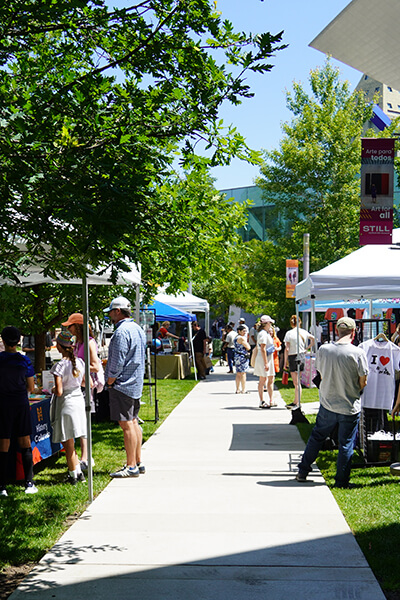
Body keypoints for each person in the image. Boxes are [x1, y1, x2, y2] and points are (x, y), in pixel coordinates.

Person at [296, 317, 368, 489]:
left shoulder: (324, 349)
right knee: (346, 444)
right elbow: (363, 381)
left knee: (317, 437)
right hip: (349, 406)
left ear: (337, 331)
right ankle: (341, 481)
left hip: (328, 403)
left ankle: (303, 471)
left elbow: (320, 373)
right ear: (354, 331)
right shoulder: (358, 353)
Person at [104, 296, 146, 478]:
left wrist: (110, 380)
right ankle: (137, 461)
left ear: (118, 311)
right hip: (135, 383)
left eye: (111, 312)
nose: (110, 316)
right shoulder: (138, 328)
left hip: (123, 385)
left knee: (127, 425)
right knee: (134, 422)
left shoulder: (121, 332)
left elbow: (117, 362)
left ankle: (131, 466)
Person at [0, 326, 37, 496]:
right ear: (18, 341)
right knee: (25, 441)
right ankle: (29, 482)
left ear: (3, 341)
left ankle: (2, 486)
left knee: (4, 442)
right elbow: (30, 386)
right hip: (21, 402)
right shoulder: (24, 361)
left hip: (3, 404)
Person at [62, 312, 102, 471]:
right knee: (81, 421)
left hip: (86, 386)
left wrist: (77, 367)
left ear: (77, 326)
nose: (68, 329)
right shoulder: (77, 343)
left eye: (70, 326)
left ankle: (86, 457)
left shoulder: (89, 343)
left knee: (84, 421)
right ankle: (85, 456)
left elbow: (96, 366)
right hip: (80, 385)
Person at [50, 331, 87, 485]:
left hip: (66, 404)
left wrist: (51, 389)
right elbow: (86, 383)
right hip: (79, 401)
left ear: (59, 346)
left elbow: (59, 391)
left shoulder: (59, 366)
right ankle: (78, 472)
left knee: (68, 443)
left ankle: (73, 476)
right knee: (74, 439)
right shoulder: (80, 363)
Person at [283, 315, 315, 410]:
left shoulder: (289, 333)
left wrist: (285, 362)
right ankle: (296, 401)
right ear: (300, 322)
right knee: (298, 381)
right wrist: (307, 348)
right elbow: (313, 339)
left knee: (296, 382)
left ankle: (297, 402)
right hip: (301, 355)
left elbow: (287, 349)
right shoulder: (304, 332)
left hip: (293, 356)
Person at [253, 315, 276, 409]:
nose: (271, 325)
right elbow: (263, 349)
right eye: (270, 323)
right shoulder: (262, 333)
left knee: (271, 379)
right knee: (262, 380)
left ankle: (271, 400)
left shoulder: (266, 333)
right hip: (264, 358)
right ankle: (261, 400)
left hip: (268, 358)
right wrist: (266, 363)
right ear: (266, 324)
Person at [234, 325, 251, 393]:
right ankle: (243, 389)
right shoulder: (242, 338)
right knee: (243, 373)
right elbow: (248, 347)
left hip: (237, 355)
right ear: (239, 331)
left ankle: (237, 389)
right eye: (243, 331)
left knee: (238, 373)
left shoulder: (235, 338)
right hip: (243, 356)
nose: (244, 332)